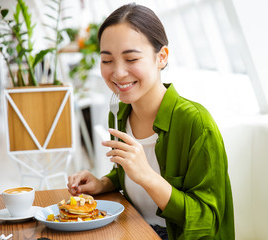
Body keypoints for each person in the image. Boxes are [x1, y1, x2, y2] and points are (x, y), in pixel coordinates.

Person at [67, 3, 235, 239]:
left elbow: (206, 221)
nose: (118, 72)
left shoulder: (196, 123)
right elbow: (130, 173)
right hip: (135, 228)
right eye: (107, 61)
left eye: (131, 58)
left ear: (162, 57)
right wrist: (103, 183)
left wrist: (147, 176)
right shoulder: (119, 112)